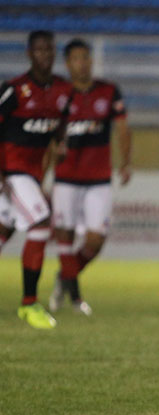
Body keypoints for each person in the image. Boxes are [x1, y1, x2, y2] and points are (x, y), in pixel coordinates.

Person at [48, 38, 132, 316]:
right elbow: (47, 133)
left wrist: (126, 162)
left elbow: (122, 128)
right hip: (66, 178)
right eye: (76, 58)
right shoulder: (59, 93)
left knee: (96, 240)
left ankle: (64, 278)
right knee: (65, 236)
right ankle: (75, 297)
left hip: (98, 178)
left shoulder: (108, 91)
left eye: (86, 57)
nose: (82, 63)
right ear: (67, 63)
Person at [0, 30, 73, 329]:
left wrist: (61, 145)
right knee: (41, 221)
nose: (45, 54)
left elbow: (58, 129)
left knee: (4, 229)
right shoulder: (15, 90)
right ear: (30, 53)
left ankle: (29, 303)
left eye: (49, 49)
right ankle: (29, 303)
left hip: (29, 174)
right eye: (39, 50)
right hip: (10, 171)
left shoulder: (62, 91)